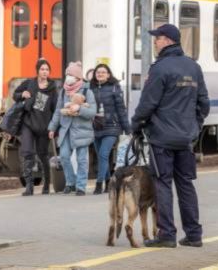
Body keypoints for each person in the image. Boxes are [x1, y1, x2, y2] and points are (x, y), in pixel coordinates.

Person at [131, 24, 210, 248]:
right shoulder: (194, 67)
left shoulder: (160, 69)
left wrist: (135, 125)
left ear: (166, 40)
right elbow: (204, 103)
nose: (155, 42)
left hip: (162, 138)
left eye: (157, 39)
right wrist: (195, 126)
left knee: (163, 184)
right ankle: (194, 234)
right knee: (186, 184)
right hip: (186, 138)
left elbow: (147, 103)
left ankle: (167, 235)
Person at [48, 61, 97, 195]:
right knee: (63, 157)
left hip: (82, 130)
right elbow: (58, 110)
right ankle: (71, 182)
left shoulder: (87, 91)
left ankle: (81, 186)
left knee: (82, 159)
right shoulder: (64, 92)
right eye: (67, 74)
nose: (67, 77)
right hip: (66, 130)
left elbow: (93, 111)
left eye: (70, 75)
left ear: (77, 77)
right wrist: (52, 128)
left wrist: (79, 108)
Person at [13, 58, 58, 196]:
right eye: (42, 69)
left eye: (47, 70)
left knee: (42, 154)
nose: (45, 72)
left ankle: (46, 184)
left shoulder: (52, 88)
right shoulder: (29, 83)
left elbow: (55, 108)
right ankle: (29, 187)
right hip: (28, 123)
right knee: (27, 152)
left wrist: (53, 128)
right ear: (38, 71)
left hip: (43, 126)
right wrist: (22, 94)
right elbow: (15, 95)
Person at [89, 63, 131, 195]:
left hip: (112, 127)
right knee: (102, 157)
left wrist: (127, 129)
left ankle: (98, 183)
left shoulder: (114, 88)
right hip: (96, 127)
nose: (100, 74)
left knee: (103, 154)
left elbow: (121, 109)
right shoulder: (90, 88)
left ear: (108, 74)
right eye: (98, 72)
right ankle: (108, 182)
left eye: (103, 72)